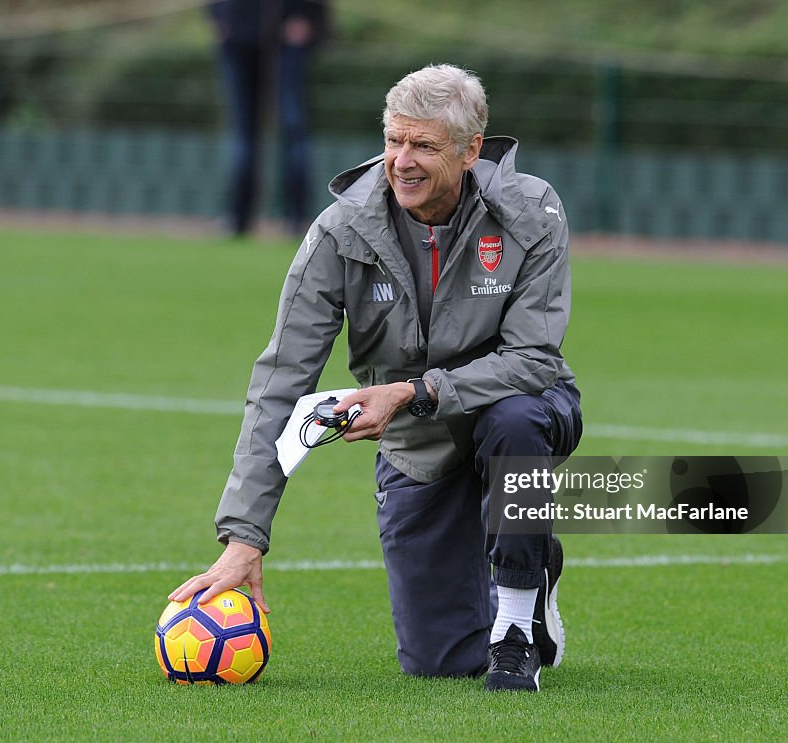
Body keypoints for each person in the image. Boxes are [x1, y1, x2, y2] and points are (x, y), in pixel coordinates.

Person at [170, 64, 583, 692]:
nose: (402, 161)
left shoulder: (532, 211)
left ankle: (519, 622)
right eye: (394, 140)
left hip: (518, 406)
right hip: (418, 448)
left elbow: (534, 359)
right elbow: (282, 379)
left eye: (424, 145)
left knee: (516, 420)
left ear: (472, 150)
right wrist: (244, 534)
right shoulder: (341, 231)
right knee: (440, 663)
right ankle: (522, 560)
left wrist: (414, 391)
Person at [205, 0, 329, 235]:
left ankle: (296, 219)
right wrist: (219, 18)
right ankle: (238, 217)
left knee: (292, 128)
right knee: (244, 132)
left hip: (287, 32)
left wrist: (304, 17)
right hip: (238, 31)